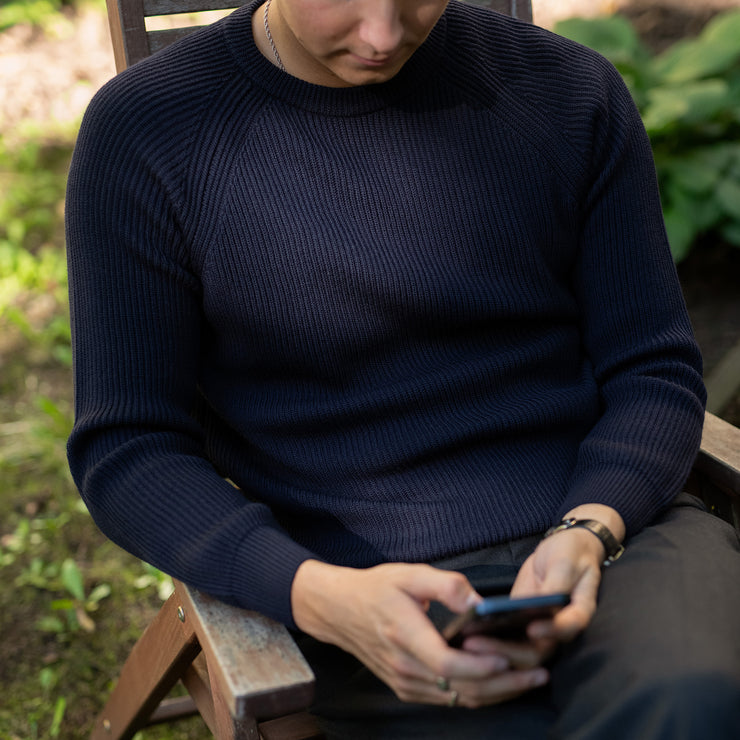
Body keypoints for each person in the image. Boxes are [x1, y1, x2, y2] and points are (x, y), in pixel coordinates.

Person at [65, 0, 740, 736]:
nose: (383, 36)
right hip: (358, 595)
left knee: (693, 698)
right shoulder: (150, 130)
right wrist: (313, 595)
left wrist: (593, 523)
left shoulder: (566, 92)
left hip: (614, 539)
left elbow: (653, 367)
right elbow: (130, 448)